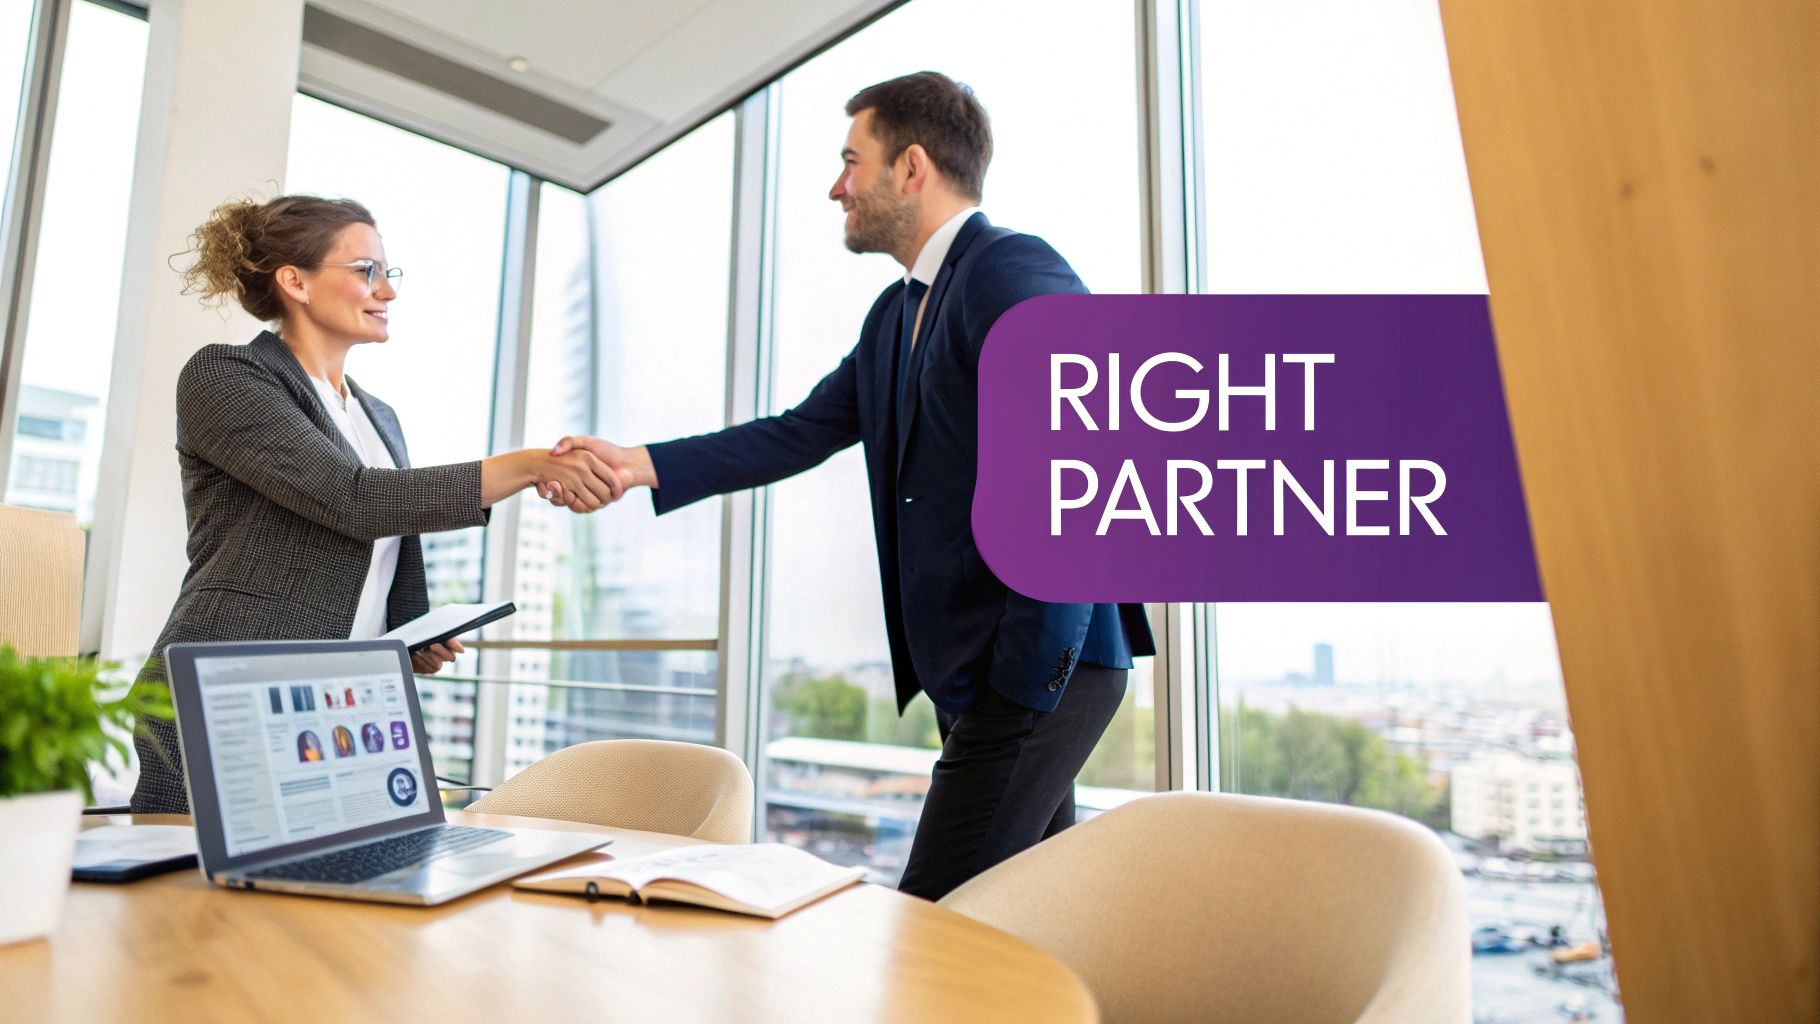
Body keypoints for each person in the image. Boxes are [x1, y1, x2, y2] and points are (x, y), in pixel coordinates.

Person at [544, 72, 1155, 900]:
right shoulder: (894, 317)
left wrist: (1023, 675)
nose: (837, 187)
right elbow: (797, 432)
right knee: (1019, 907)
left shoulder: (1011, 267)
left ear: (911, 168)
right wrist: (634, 463)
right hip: (983, 669)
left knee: (931, 911)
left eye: (850, 161)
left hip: (1040, 663)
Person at [128, 194, 625, 813]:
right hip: (230, 691)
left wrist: (409, 634)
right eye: (366, 271)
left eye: (388, 273)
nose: (386, 291)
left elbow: (381, 538)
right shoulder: (226, 378)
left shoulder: (377, 416)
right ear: (295, 282)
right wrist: (527, 466)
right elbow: (353, 500)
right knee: (190, 900)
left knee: (327, 893)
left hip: (339, 710)